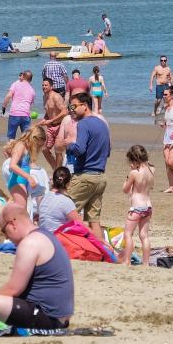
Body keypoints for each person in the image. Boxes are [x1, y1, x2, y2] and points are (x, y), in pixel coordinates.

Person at [0, 202, 74, 330]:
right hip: (61, 318)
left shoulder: (29, 243)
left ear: (13, 224)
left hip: (47, 318)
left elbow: (14, 289)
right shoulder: (46, 236)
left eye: (4, 230)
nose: (6, 236)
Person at [64, 92, 111, 237]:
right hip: (100, 177)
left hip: (85, 177)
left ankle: (64, 246)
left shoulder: (83, 123)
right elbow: (108, 151)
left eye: (74, 106)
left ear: (85, 106)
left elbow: (80, 149)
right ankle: (101, 251)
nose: (72, 110)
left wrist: (69, 145)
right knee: (94, 220)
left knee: (65, 211)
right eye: (70, 107)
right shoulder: (102, 123)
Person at [120, 145, 154, 265]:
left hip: (137, 207)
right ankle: (146, 263)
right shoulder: (151, 169)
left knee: (128, 233)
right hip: (148, 206)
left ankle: (127, 260)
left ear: (134, 160)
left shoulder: (134, 173)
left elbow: (125, 189)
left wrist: (128, 175)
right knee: (144, 236)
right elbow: (148, 165)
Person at [4, 126, 44, 206]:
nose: (37, 147)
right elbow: (12, 165)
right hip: (17, 183)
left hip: (22, 182)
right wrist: (29, 177)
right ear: (34, 138)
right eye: (38, 144)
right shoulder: (21, 145)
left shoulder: (27, 147)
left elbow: (6, 151)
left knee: (20, 209)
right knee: (21, 210)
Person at [36, 166, 80, 231]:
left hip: (44, 236)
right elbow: (80, 225)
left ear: (53, 180)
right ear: (68, 184)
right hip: (58, 238)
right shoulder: (66, 201)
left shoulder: (42, 198)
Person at [37, 78, 68, 170]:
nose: (44, 87)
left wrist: (51, 120)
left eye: (46, 85)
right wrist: (45, 119)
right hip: (50, 127)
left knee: (58, 150)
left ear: (51, 86)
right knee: (44, 149)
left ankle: (58, 172)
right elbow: (49, 112)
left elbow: (64, 112)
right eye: (43, 85)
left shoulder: (56, 96)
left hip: (60, 126)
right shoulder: (44, 97)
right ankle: (56, 169)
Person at [2, 70, 36, 140]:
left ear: (23, 76)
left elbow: (8, 96)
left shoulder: (15, 84)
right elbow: (30, 104)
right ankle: (26, 151)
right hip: (26, 115)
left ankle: (11, 150)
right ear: (31, 80)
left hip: (14, 114)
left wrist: (4, 107)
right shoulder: (32, 90)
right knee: (26, 138)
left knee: (11, 137)